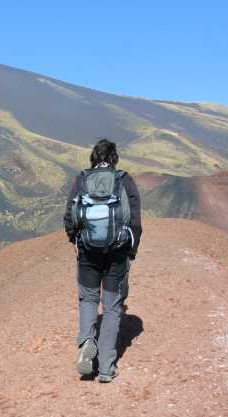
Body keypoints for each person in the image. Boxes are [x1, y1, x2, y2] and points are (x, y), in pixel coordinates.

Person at [63, 139, 142, 383]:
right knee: (112, 308)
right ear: (115, 158)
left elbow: (69, 216)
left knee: (88, 299)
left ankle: (88, 340)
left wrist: (76, 241)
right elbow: (135, 222)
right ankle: (107, 368)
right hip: (117, 253)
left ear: (93, 157)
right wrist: (131, 251)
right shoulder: (123, 180)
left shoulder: (82, 179)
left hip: (88, 251)